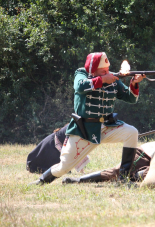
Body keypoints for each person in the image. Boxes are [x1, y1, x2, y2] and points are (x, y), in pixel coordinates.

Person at [30, 52, 145, 185]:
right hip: (84, 130)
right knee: (64, 167)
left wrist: (135, 83)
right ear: (93, 70)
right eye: (103, 71)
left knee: (131, 132)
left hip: (107, 126)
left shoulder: (112, 78)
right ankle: (41, 181)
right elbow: (79, 86)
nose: (107, 72)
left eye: (107, 69)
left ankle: (123, 179)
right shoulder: (81, 74)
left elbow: (130, 98)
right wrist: (102, 80)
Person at [62, 121, 155, 184]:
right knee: (117, 172)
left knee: (152, 176)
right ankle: (79, 180)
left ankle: (133, 178)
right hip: (147, 155)